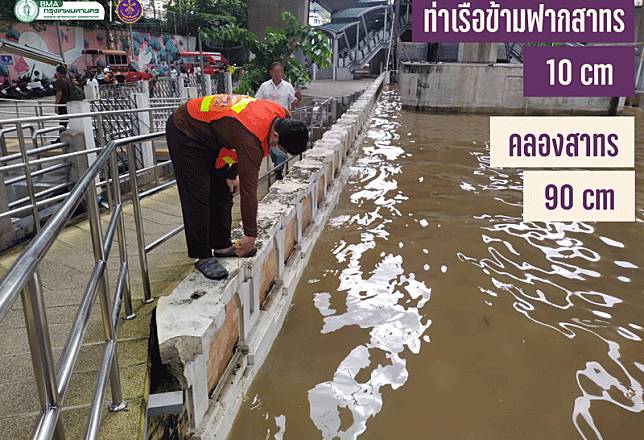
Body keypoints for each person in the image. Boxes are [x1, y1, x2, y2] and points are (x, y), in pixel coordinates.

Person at [166, 94, 309, 280]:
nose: (276, 149)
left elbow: (234, 142)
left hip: (213, 135)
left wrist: (232, 174)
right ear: (275, 136)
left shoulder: (281, 114)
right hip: (185, 129)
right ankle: (202, 256)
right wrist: (250, 235)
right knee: (198, 194)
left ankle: (221, 245)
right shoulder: (252, 137)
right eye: (279, 147)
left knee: (224, 189)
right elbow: (249, 190)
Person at [255, 62, 301, 180]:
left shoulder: (288, 86)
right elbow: (256, 102)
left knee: (281, 146)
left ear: (283, 73)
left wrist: (298, 99)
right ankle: (277, 165)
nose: (277, 74)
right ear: (271, 73)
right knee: (271, 145)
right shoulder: (264, 86)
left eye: (280, 71)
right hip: (267, 121)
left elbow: (294, 103)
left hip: (282, 121)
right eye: (275, 71)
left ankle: (279, 169)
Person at [53, 65, 72, 135]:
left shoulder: (59, 81)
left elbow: (59, 93)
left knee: (62, 121)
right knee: (64, 121)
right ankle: (61, 136)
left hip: (62, 104)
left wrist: (56, 105)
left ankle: (61, 137)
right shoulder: (68, 80)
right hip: (69, 103)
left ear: (58, 73)